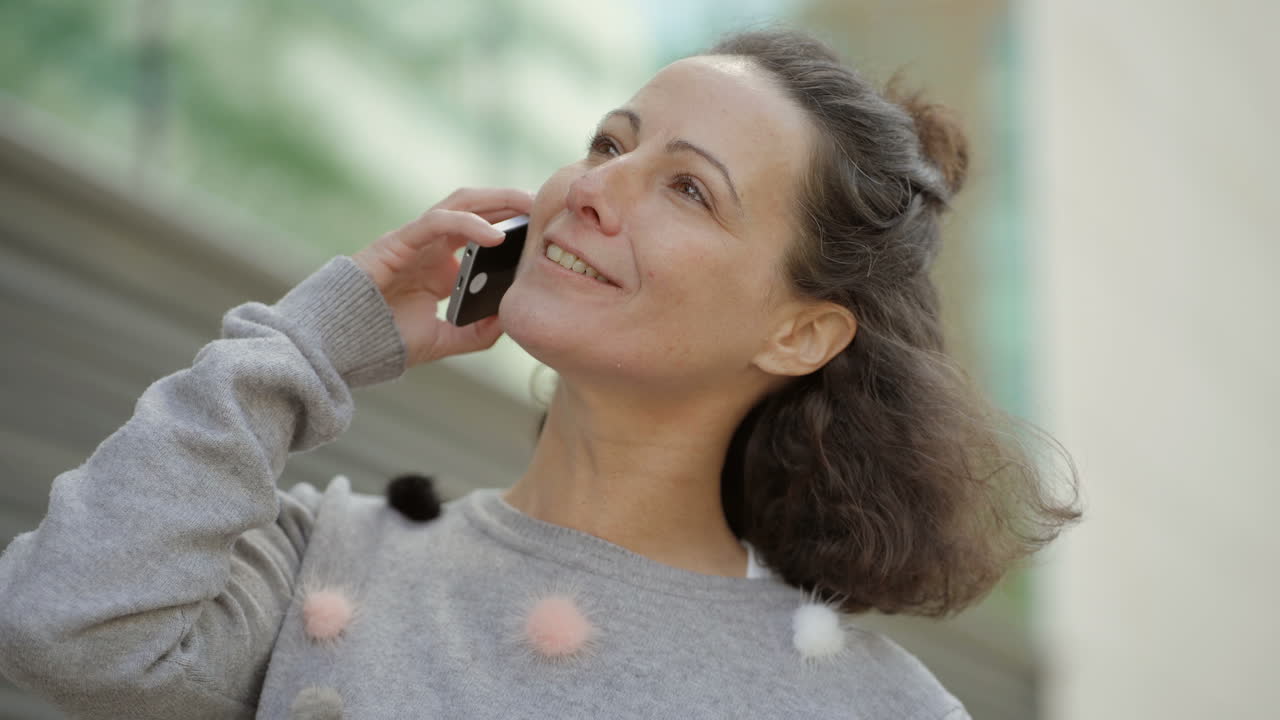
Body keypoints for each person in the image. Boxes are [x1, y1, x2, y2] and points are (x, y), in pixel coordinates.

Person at [0, 26, 1080, 719]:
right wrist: (307, 343)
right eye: (611, 144)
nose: (595, 187)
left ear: (799, 335)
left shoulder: (876, 712)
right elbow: (61, 630)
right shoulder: (321, 563)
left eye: (689, 190)